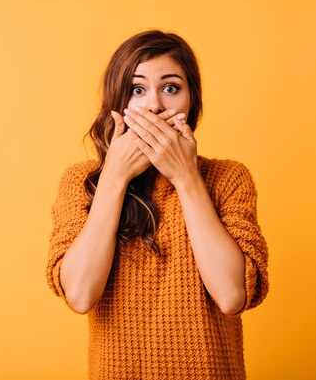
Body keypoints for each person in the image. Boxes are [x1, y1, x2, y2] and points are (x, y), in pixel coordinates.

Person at [45, 30, 269, 379]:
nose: (154, 106)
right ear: (116, 102)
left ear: (191, 101)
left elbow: (231, 296)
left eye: (170, 88)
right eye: (137, 90)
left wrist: (186, 178)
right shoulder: (81, 181)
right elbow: (80, 294)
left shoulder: (229, 178)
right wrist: (114, 179)